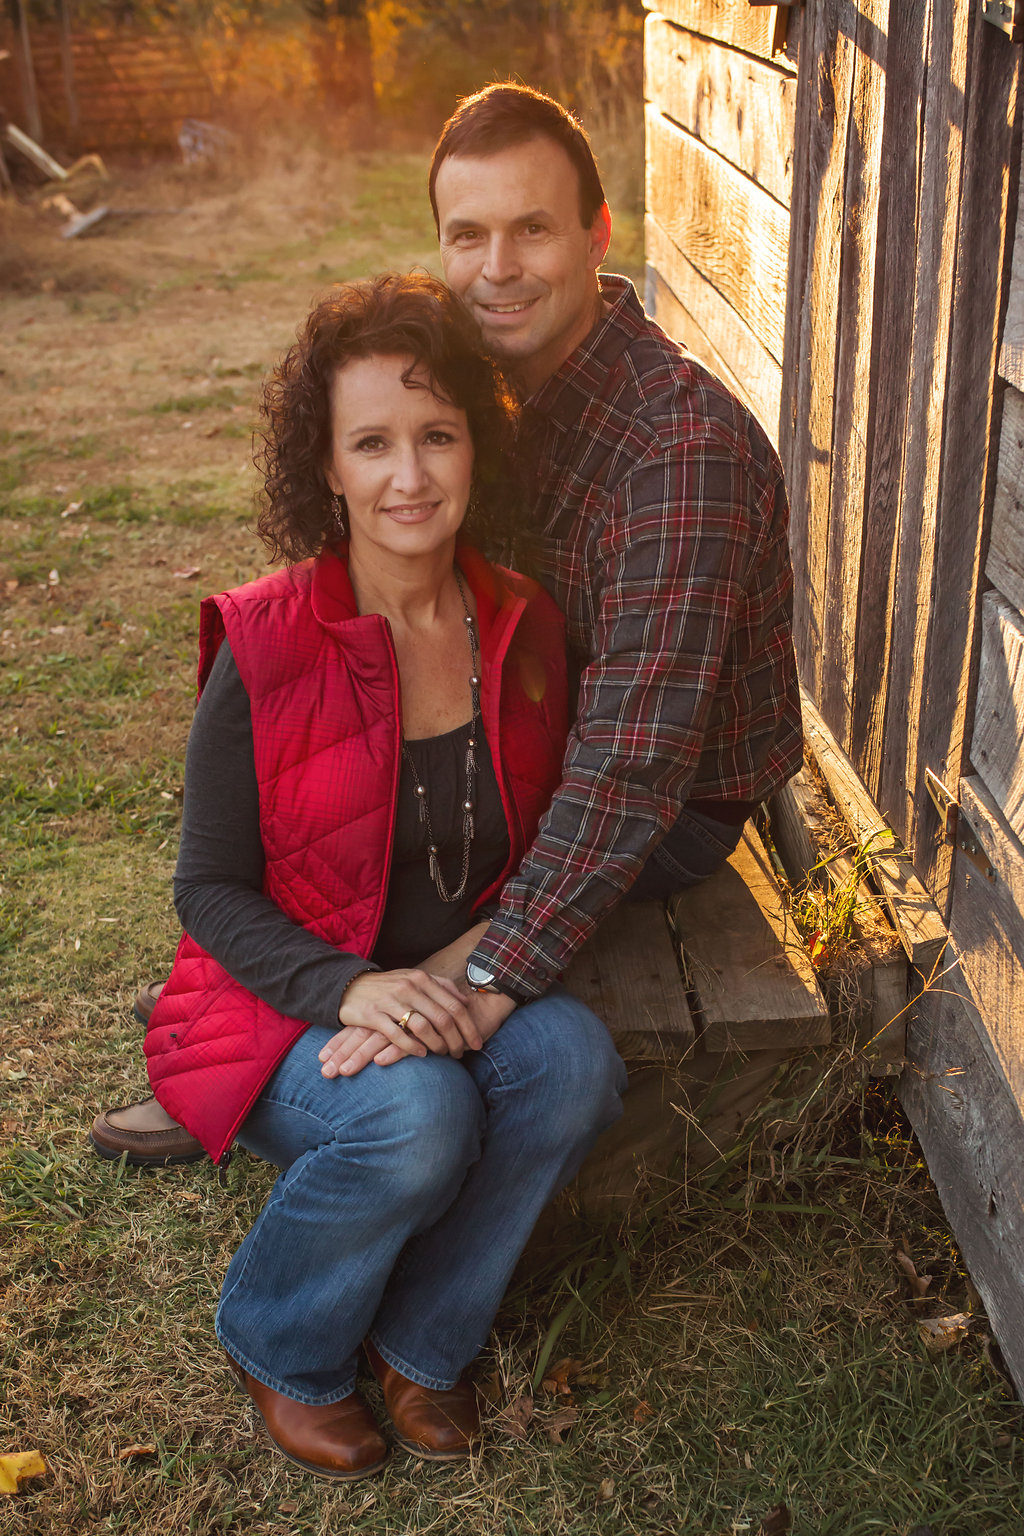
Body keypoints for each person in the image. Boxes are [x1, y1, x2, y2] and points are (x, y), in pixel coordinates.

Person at [92, 83, 800, 1158]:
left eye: (531, 229)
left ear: (599, 235)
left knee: (417, 834)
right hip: (523, 722)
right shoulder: (504, 386)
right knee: (337, 774)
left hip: (665, 797)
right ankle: (258, 996)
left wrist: (477, 979)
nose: (496, 268)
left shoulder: (677, 453)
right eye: (467, 235)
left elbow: (629, 774)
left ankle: (266, 1042)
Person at [115, 272, 626, 1481]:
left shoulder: (525, 628)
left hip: (446, 979)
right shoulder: (269, 640)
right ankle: (281, 1340)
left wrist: (449, 973)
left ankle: (422, 1343)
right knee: (417, 1117)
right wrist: (352, 990)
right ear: (327, 467)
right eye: (372, 444)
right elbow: (210, 891)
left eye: (436, 435)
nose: (409, 476)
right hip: (278, 1004)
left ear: (474, 447)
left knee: (571, 1065)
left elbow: (550, 844)